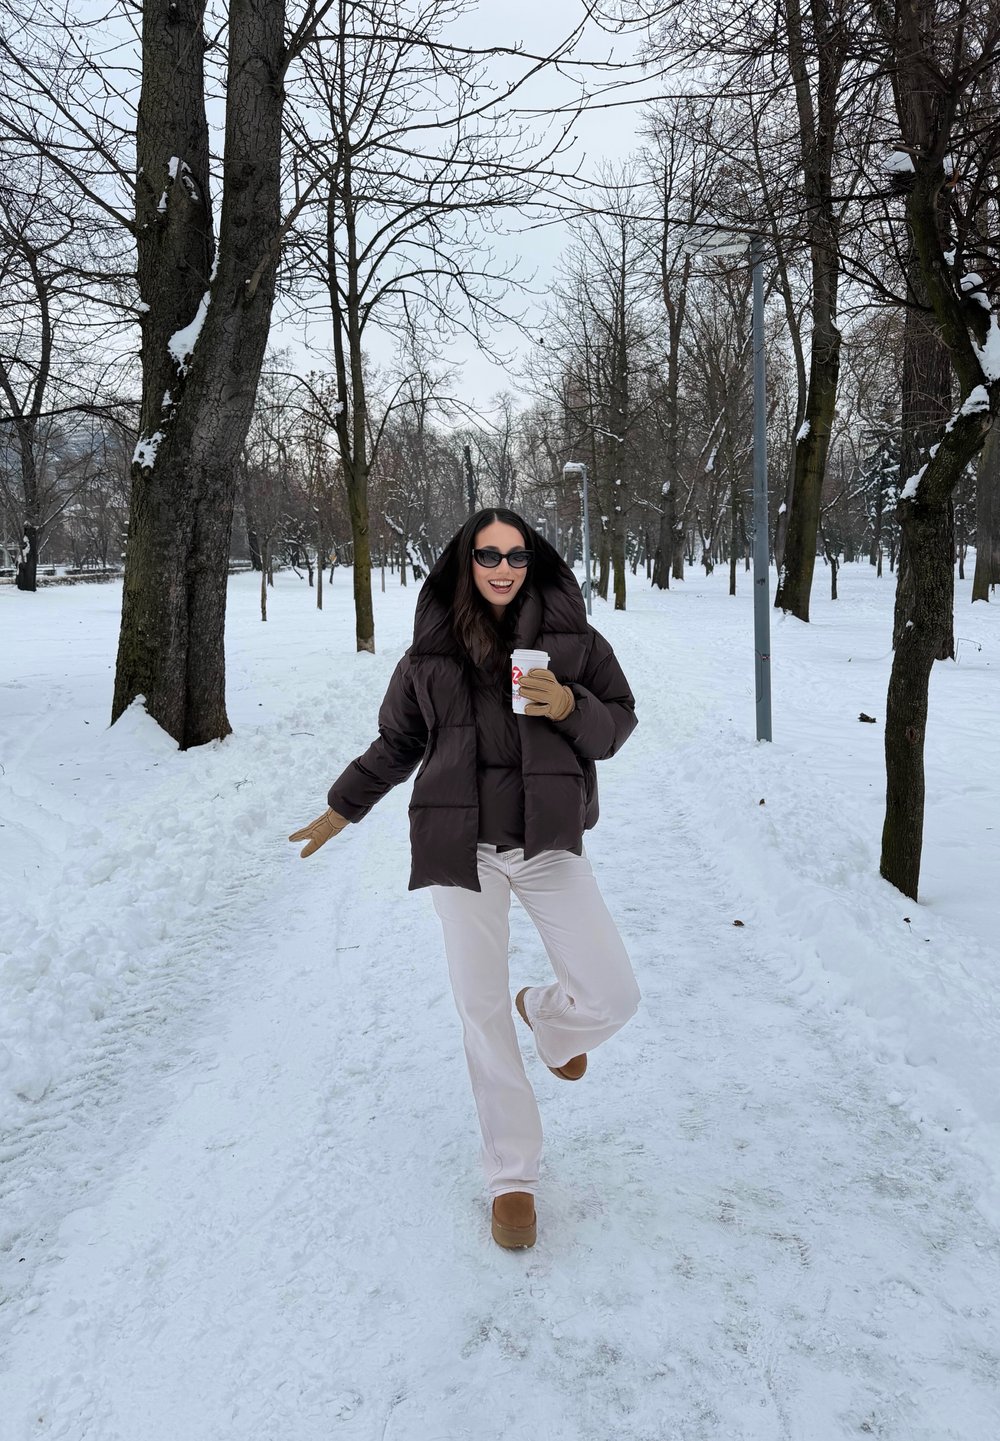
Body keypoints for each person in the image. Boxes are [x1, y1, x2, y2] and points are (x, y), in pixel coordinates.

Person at [289, 508, 640, 1250]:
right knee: (480, 1008)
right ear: (465, 561)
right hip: (463, 849)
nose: (503, 567)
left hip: (547, 844)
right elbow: (397, 742)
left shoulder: (575, 640)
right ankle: (513, 1174)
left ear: (532, 560)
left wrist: (570, 704)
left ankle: (548, 1015)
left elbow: (619, 722)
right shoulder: (431, 650)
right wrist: (342, 807)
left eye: (516, 554)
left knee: (614, 992)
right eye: (488, 554)